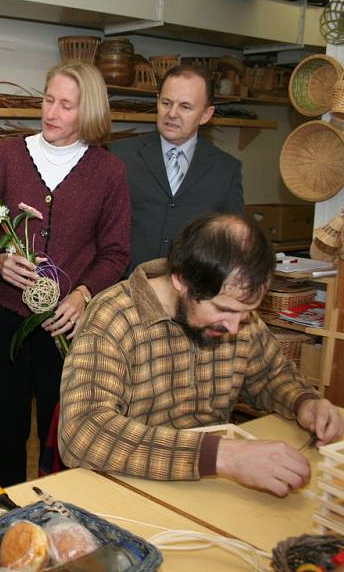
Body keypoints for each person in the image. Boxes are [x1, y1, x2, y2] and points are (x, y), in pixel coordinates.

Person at [59, 213, 343, 497]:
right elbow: (83, 432)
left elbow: (270, 376)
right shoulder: (114, 316)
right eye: (225, 310)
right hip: (130, 487)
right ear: (182, 280)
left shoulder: (235, 311)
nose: (235, 326)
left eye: (245, 313)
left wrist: (304, 402)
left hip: (208, 486)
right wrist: (225, 457)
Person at [0, 61, 131, 488]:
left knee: (59, 432)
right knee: (5, 426)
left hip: (65, 324)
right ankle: (1, 514)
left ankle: (53, 512)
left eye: (66, 105)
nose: (51, 113)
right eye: (48, 99)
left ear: (89, 112)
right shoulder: (6, 157)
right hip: (2, 317)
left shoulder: (108, 172)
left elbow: (115, 252)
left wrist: (83, 295)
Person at [109, 65, 243, 275]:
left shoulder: (226, 170)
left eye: (185, 107)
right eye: (166, 103)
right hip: (125, 289)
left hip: (191, 294)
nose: (172, 113)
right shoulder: (121, 154)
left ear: (206, 114)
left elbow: (231, 243)